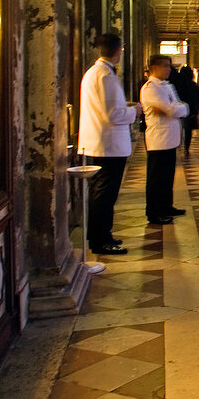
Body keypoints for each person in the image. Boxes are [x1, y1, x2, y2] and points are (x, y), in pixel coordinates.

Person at [78, 33, 141, 255]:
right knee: (105, 194)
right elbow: (112, 114)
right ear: (118, 51)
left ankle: (102, 235)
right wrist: (134, 110)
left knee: (102, 193)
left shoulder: (95, 73)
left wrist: (126, 106)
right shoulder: (105, 75)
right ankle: (100, 239)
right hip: (108, 144)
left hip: (102, 142)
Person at [140, 54, 189, 225]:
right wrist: (178, 108)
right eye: (165, 66)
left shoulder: (167, 86)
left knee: (168, 175)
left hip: (171, 137)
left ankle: (166, 205)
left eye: (169, 66)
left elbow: (181, 106)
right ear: (155, 68)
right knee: (156, 177)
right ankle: (154, 211)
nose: (169, 69)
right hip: (158, 139)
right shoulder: (151, 88)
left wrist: (179, 108)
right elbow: (172, 110)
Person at [176, 66, 199, 159]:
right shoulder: (194, 85)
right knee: (188, 131)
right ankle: (186, 147)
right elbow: (197, 99)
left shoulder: (177, 85)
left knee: (179, 129)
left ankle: (177, 145)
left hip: (180, 110)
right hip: (190, 111)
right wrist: (196, 111)